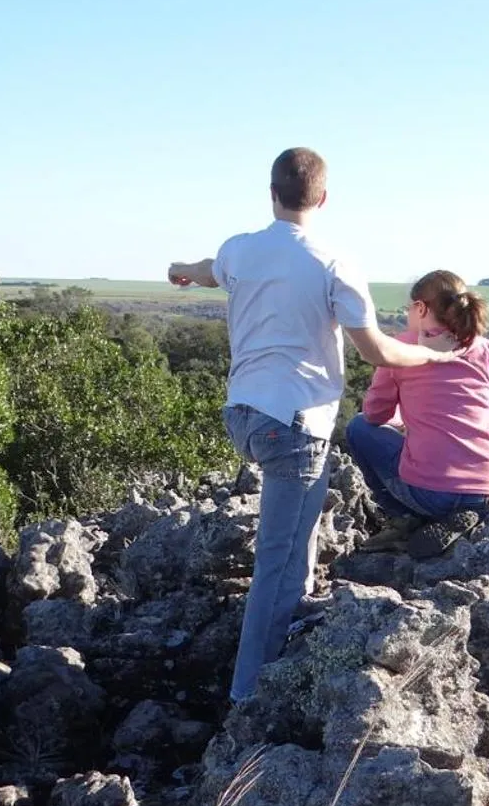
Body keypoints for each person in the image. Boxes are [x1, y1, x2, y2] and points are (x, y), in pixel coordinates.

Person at [167, 148, 449, 703]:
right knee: (277, 558)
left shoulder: (241, 249)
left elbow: (204, 271)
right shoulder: (334, 263)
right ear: (322, 198)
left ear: (271, 193)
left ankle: (294, 615)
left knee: (304, 515)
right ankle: (248, 696)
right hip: (294, 422)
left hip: (243, 415)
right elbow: (376, 352)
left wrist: (178, 271)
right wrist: (434, 358)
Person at [345, 270, 489, 556]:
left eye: (409, 308)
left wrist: (400, 420)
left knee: (358, 427)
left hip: (431, 494)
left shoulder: (401, 349)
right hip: (484, 491)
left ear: (421, 308)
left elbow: (375, 415)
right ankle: (465, 516)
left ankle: (405, 519)